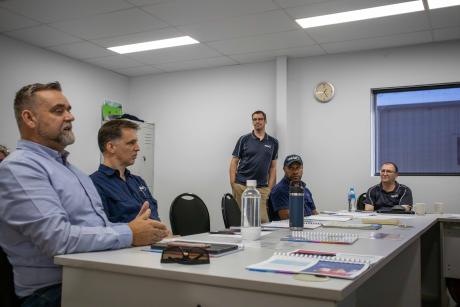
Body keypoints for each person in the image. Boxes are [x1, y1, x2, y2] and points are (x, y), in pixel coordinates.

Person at [0, 82, 169, 307]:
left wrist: (139, 230)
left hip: (93, 274)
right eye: (58, 111)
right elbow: (57, 239)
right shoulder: (19, 168)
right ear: (30, 119)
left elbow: (98, 227)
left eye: (69, 109)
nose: (70, 117)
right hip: (53, 291)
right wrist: (130, 233)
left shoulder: (73, 172)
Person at [91, 119, 160, 223]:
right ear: (111, 147)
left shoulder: (138, 181)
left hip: (158, 239)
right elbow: (100, 231)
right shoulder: (93, 184)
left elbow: (155, 218)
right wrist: (133, 229)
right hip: (129, 239)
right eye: (131, 143)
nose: (137, 148)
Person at [229, 110, 278, 223]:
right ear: (252, 122)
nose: (257, 121)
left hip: (261, 188)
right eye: (255, 119)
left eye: (260, 119)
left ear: (265, 121)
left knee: (263, 221)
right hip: (241, 186)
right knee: (241, 220)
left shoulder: (273, 142)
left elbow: (273, 167)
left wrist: (270, 188)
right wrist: (233, 183)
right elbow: (234, 161)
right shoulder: (243, 139)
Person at [268, 154, 318, 221]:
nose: (295, 172)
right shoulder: (279, 190)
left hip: (307, 227)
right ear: (284, 169)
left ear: (302, 169)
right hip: (287, 230)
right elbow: (287, 218)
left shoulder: (305, 190)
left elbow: (315, 214)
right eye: (291, 168)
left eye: (298, 168)